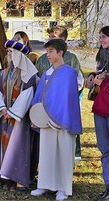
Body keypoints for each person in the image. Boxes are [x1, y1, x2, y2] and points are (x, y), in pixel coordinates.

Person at [30, 39, 82, 201]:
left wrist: (61, 118)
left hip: (63, 121)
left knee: (64, 154)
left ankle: (63, 188)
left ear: (60, 53)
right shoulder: (46, 73)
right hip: (46, 119)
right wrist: (35, 116)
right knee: (46, 153)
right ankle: (44, 184)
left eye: (51, 51)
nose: (48, 54)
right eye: (47, 51)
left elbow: (69, 99)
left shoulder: (69, 73)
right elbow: (40, 95)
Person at [0, 40, 39, 191]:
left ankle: (18, 179)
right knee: (6, 146)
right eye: (7, 52)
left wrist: (13, 112)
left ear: (19, 55)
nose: (8, 55)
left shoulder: (29, 74)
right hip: (6, 116)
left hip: (19, 119)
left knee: (18, 147)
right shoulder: (6, 71)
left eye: (11, 52)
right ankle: (7, 176)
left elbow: (27, 94)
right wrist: (3, 109)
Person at [35, 25, 84, 161]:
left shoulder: (71, 58)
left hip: (64, 103)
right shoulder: (42, 59)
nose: (50, 39)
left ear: (63, 40)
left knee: (64, 134)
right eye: (50, 36)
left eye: (54, 37)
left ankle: (73, 154)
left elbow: (74, 82)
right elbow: (39, 80)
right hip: (47, 102)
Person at [89, 26, 109, 201]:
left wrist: (105, 78)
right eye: (100, 37)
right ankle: (108, 187)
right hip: (101, 108)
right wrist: (94, 76)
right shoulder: (101, 56)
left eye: (104, 37)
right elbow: (100, 72)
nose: (101, 40)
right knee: (104, 150)